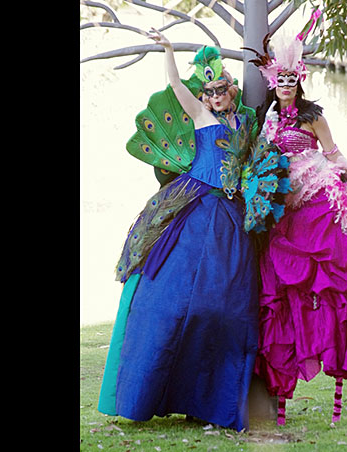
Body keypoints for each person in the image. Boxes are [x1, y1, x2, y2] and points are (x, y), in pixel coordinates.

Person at [96, 28, 259, 432]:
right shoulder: (202, 117)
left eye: (221, 89)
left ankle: (211, 399)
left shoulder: (246, 122)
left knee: (226, 304)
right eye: (209, 92)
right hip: (195, 205)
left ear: (232, 91)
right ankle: (151, 390)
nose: (214, 96)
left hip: (231, 214)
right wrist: (168, 49)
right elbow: (173, 83)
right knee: (170, 298)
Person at [244, 31, 347, 425]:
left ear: (301, 80)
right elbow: (258, 160)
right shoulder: (267, 119)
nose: (286, 86)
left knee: (329, 288)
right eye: (280, 80)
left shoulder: (314, 117)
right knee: (280, 294)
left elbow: (334, 155)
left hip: (317, 205)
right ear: (274, 81)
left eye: (291, 79)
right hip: (281, 212)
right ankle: (279, 386)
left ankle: (335, 369)